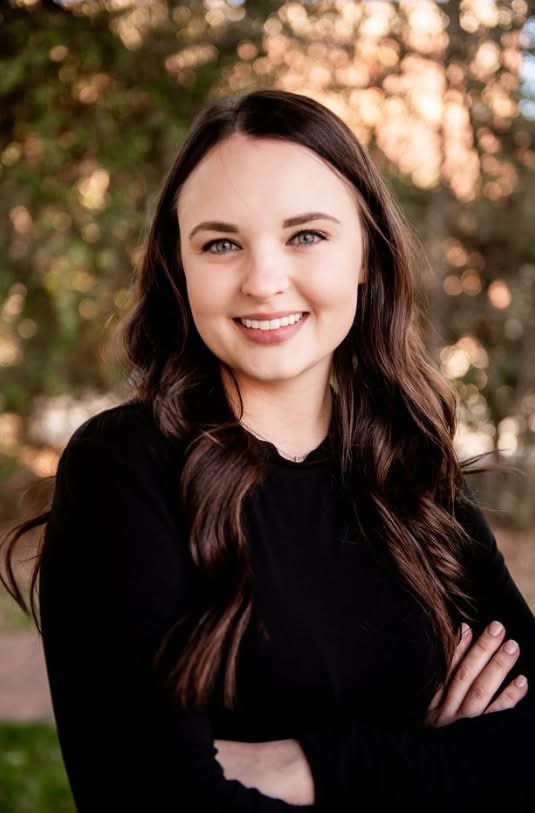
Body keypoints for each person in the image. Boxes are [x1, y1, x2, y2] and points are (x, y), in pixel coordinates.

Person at [1, 89, 534, 813]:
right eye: (220, 244)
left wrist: (301, 764)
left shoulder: (411, 475)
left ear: (366, 254)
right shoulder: (123, 467)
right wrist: (436, 761)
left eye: (306, 235)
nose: (263, 281)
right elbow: (152, 798)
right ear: (179, 268)